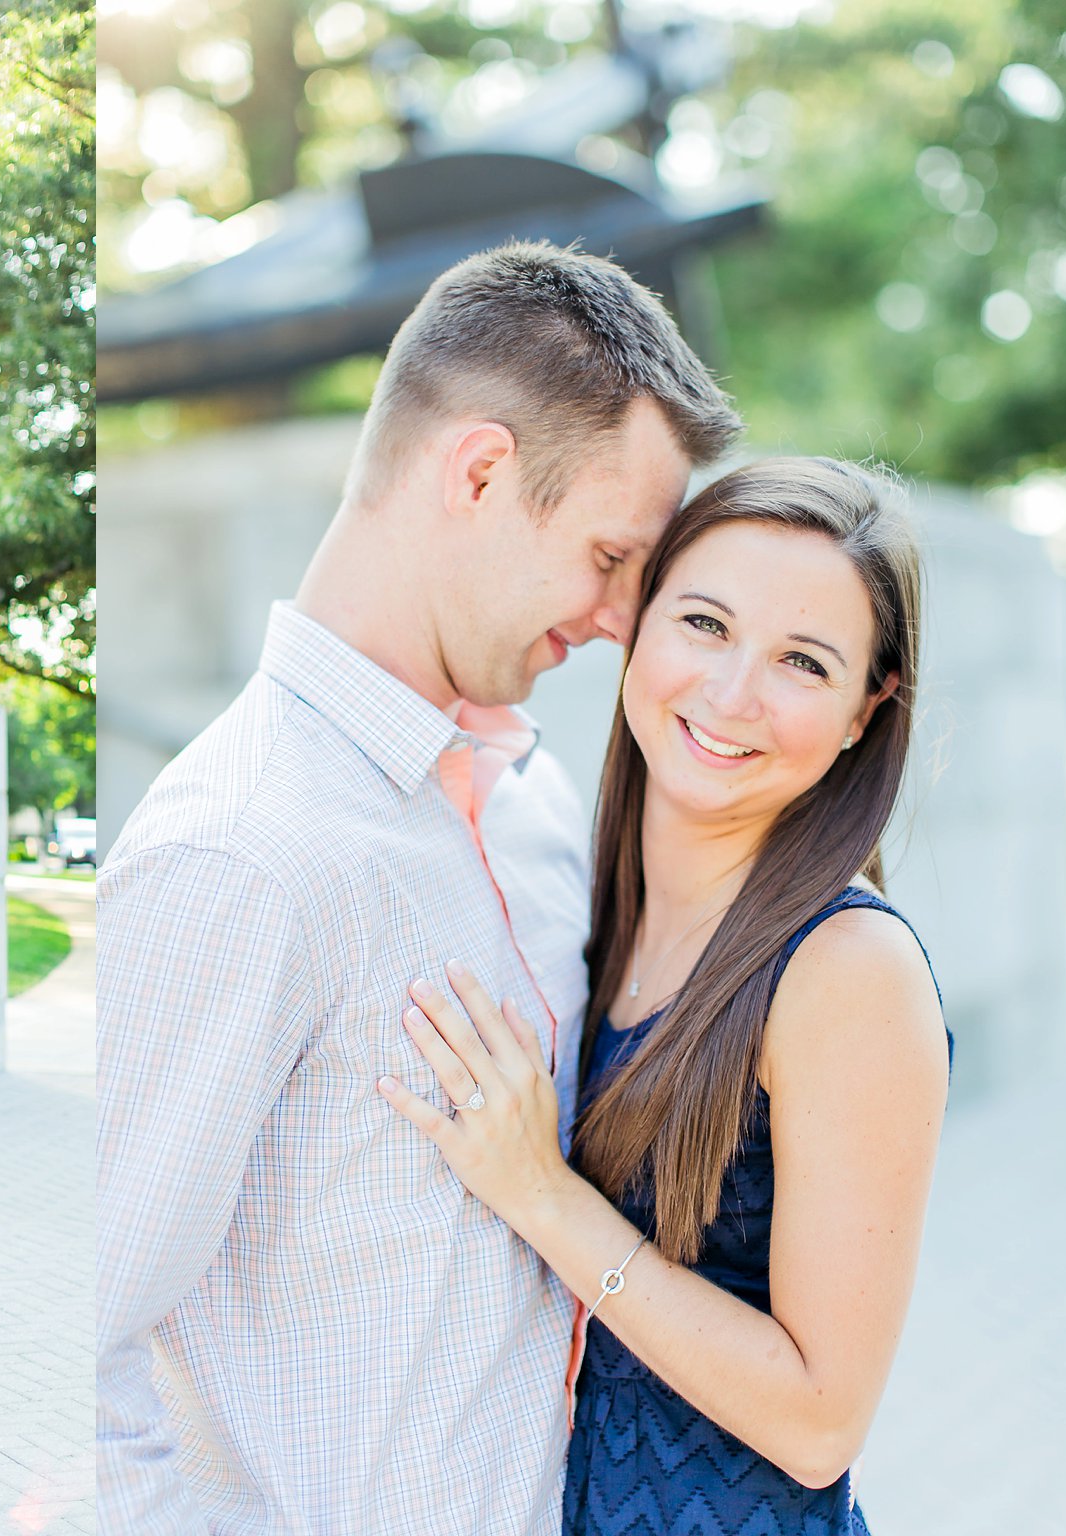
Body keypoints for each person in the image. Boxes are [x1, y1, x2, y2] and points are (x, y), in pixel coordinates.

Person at [95, 240, 741, 1534]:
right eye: (613, 556)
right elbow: (82, 1334)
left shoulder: (537, 803)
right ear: (482, 472)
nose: (624, 617)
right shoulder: (237, 853)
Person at [378, 458, 949, 1535]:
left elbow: (821, 1420)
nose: (730, 694)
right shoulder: (592, 897)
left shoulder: (844, 970)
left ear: (862, 714)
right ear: (634, 624)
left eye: (801, 661)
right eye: (702, 623)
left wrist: (542, 1196)